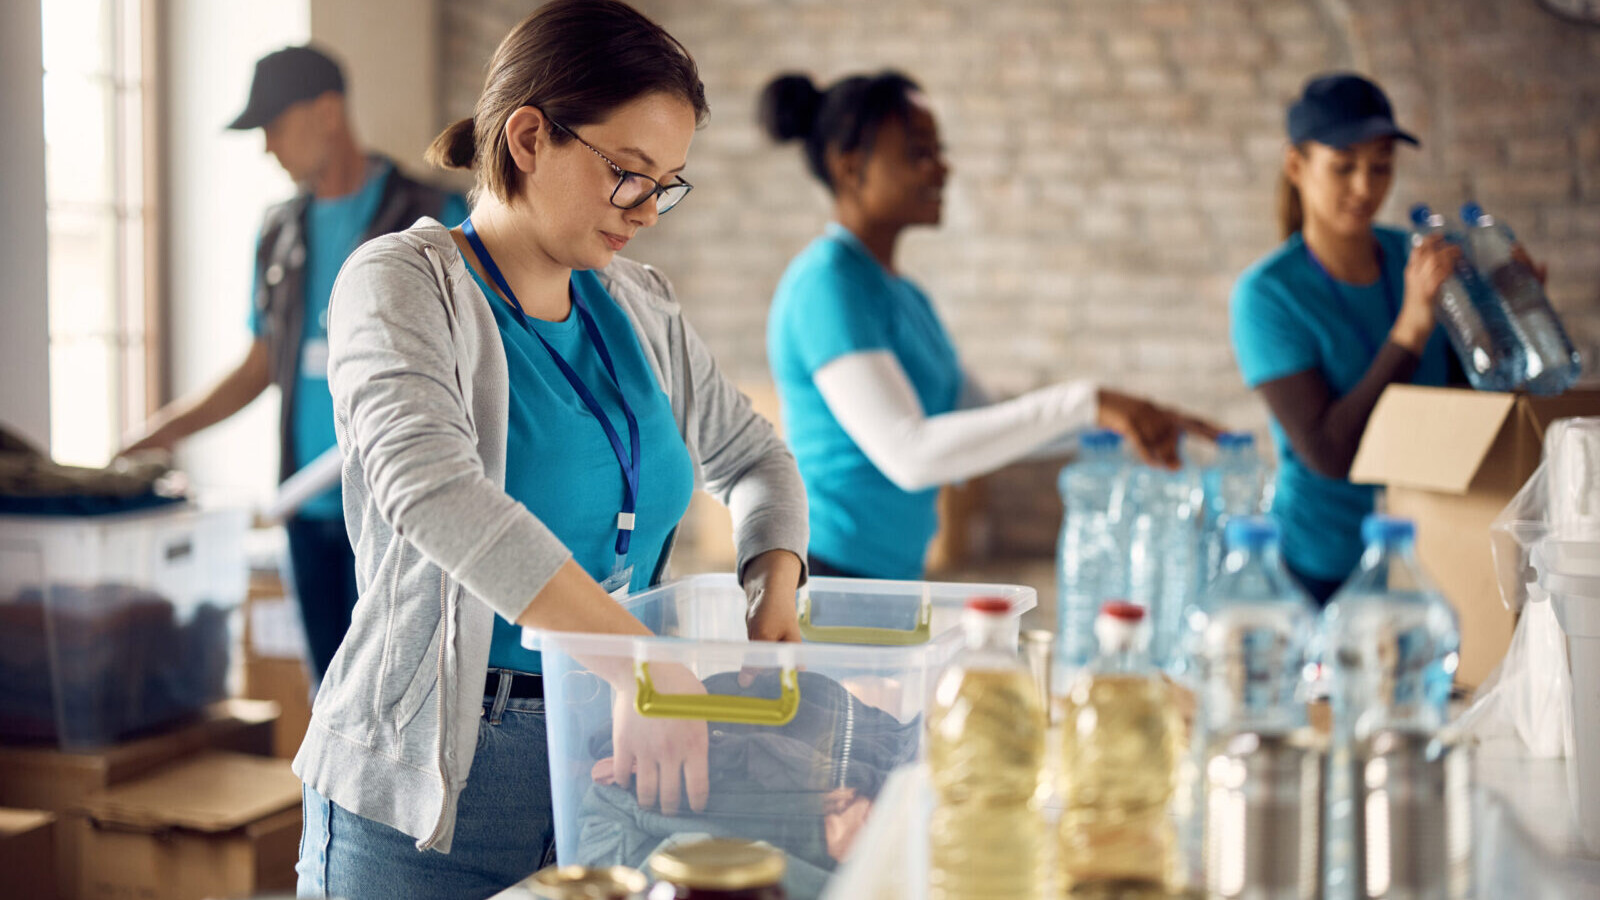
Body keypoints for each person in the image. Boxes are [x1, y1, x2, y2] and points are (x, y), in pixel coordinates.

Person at [292, 3, 808, 898]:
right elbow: (435, 493)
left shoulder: (638, 304)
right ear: (529, 137)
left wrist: (773, 582)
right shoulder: (398, 284)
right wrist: (641, 664)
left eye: (669, 183)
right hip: (433, 788)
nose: (649, 211)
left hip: (615, 760)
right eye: (630, 175)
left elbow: (756, 460)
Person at [760, 71, 1219, 582]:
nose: (943, 167)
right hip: (824, 576)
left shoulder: (904, 295)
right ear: (849, 168)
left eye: (940, 149)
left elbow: (989, 416)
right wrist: (1087, 401)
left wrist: (1121, 417)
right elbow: (909, 454)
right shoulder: (827, 284)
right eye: (918, 152)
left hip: (889, 576)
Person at [121, 45, 468, 682]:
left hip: (398, 515)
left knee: (396, 699)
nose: (267, 148)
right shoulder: (279, 231)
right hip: (304, 511)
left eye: (274, 127)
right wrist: (158, 434)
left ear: (327, 112)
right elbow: (260, 366)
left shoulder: (435, 214)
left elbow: (476, 358)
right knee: (330, 700)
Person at [1230, 72, 1543, 603]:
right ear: (1296, 166)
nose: (1365, 188)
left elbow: (1466, 403)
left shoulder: (1415, 257)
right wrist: (1411, 328)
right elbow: (1329, 453)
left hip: (1429, 548)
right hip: (1320, 566)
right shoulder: (1267, 295)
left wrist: (1514, 321)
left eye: (1381, 167)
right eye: (1344, 166)